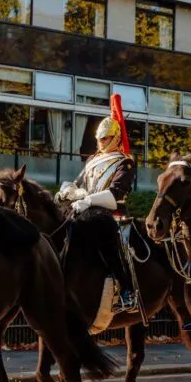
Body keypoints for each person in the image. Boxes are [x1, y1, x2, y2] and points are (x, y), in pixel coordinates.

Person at [56, 93, 137, 311]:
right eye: (99, 139)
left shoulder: (125, 163)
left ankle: (126, 288)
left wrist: (87, 200)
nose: (100, 143)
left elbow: (116, 194)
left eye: (105, 139)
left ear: (116, 137)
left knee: (105, 231)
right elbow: (80, 183)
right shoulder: (93, 160)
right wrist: (68, 190)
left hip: (110, 212)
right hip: (85, 210)